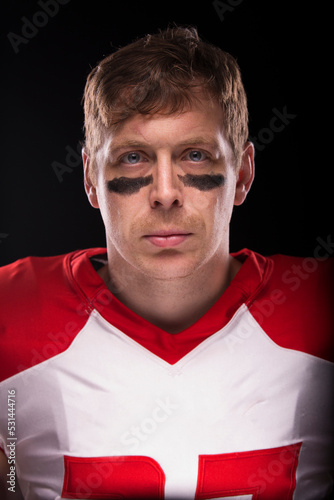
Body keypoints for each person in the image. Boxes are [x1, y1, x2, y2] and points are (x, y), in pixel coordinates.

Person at [0, 25, 333, 500]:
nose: (164, 193)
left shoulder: (320, 307)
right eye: (133, 158)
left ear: (242, 175)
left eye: (194, 156)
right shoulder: (10, 311)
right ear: (92, 181)